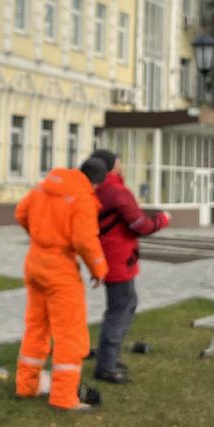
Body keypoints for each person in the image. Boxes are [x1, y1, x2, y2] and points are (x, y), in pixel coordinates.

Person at [14, 157, 110, 412]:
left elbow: (21, 212)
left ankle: (26, 385)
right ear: (97, 183)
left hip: (34, 262)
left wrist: (40, 236)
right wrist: (99, 269)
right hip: (61, 270)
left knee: (36, 327)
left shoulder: (45, 186)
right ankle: (64, 397)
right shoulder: (83, 198)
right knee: (70, 334)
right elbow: (84, 240)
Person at [87, 149, 170, 384]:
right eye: (118, 162)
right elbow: (140, 224)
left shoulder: (98, 190)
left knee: (126, 304)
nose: (121, 164)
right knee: (120, 310)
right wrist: (163, 219)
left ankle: (109, 358)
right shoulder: (116, 191)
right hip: (118, 260)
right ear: (111, 167)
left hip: (109, 258)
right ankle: (107, 366)